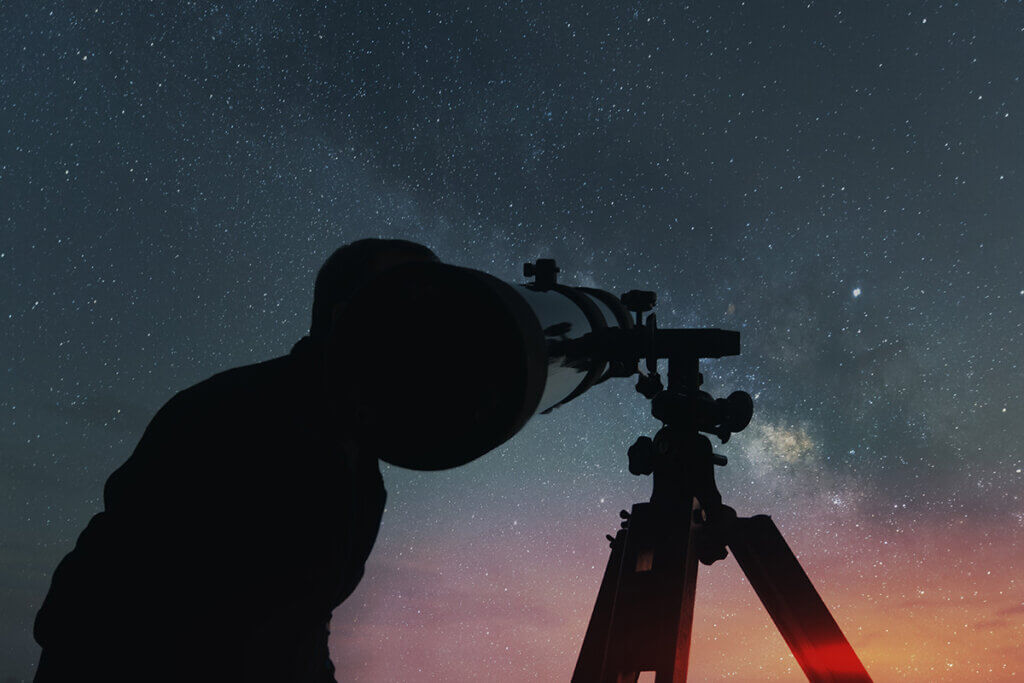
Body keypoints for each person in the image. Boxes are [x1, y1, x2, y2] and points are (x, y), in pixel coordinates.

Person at [33, 238, 439, 683]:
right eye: (408, 297)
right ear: (345, 317)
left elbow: (303, 618)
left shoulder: (361, 464)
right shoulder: (228, 414)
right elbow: (107, 599)